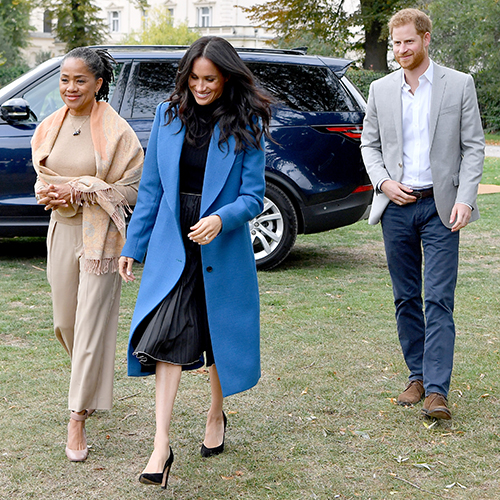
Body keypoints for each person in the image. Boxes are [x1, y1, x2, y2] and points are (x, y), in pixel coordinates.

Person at [118, 36, 272, 489]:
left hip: (219, 244)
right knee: (166, 333)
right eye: (194, 77)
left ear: (226, 78)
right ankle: (160, 445)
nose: (201, 86)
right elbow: (151, 189)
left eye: (210, 79)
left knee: (217, 332)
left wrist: (221, 220)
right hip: (173, 240)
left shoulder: (248, 125)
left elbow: (253, 196)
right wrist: (134, 245)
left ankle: (215, 412)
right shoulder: (167, 117)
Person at [361, 8, 484, 420]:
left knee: (439, 298)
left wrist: (465, 199)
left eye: (408, 42)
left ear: (426, 39)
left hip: (441, 207)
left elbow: (473, 147)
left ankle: (436, 391)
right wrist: (382, 183)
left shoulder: (459, 84)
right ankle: (416, 376)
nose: (400, 50)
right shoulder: (380, 90)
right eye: (395, 43)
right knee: (405, 297)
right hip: (397, 206)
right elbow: (369, 145)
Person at [32, 47, 144, 461]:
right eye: (64, 79)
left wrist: (81, 188)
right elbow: (42, 177)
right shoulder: (49, 127)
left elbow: (133, 188)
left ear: (98, 83)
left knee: (93, 325)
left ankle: (76, 417)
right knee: (65, 323)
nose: (70, 87)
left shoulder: (118, 131)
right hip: (62, 230)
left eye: (80, 80)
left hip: (103, 238)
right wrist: (51, 192)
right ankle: (90, 382)